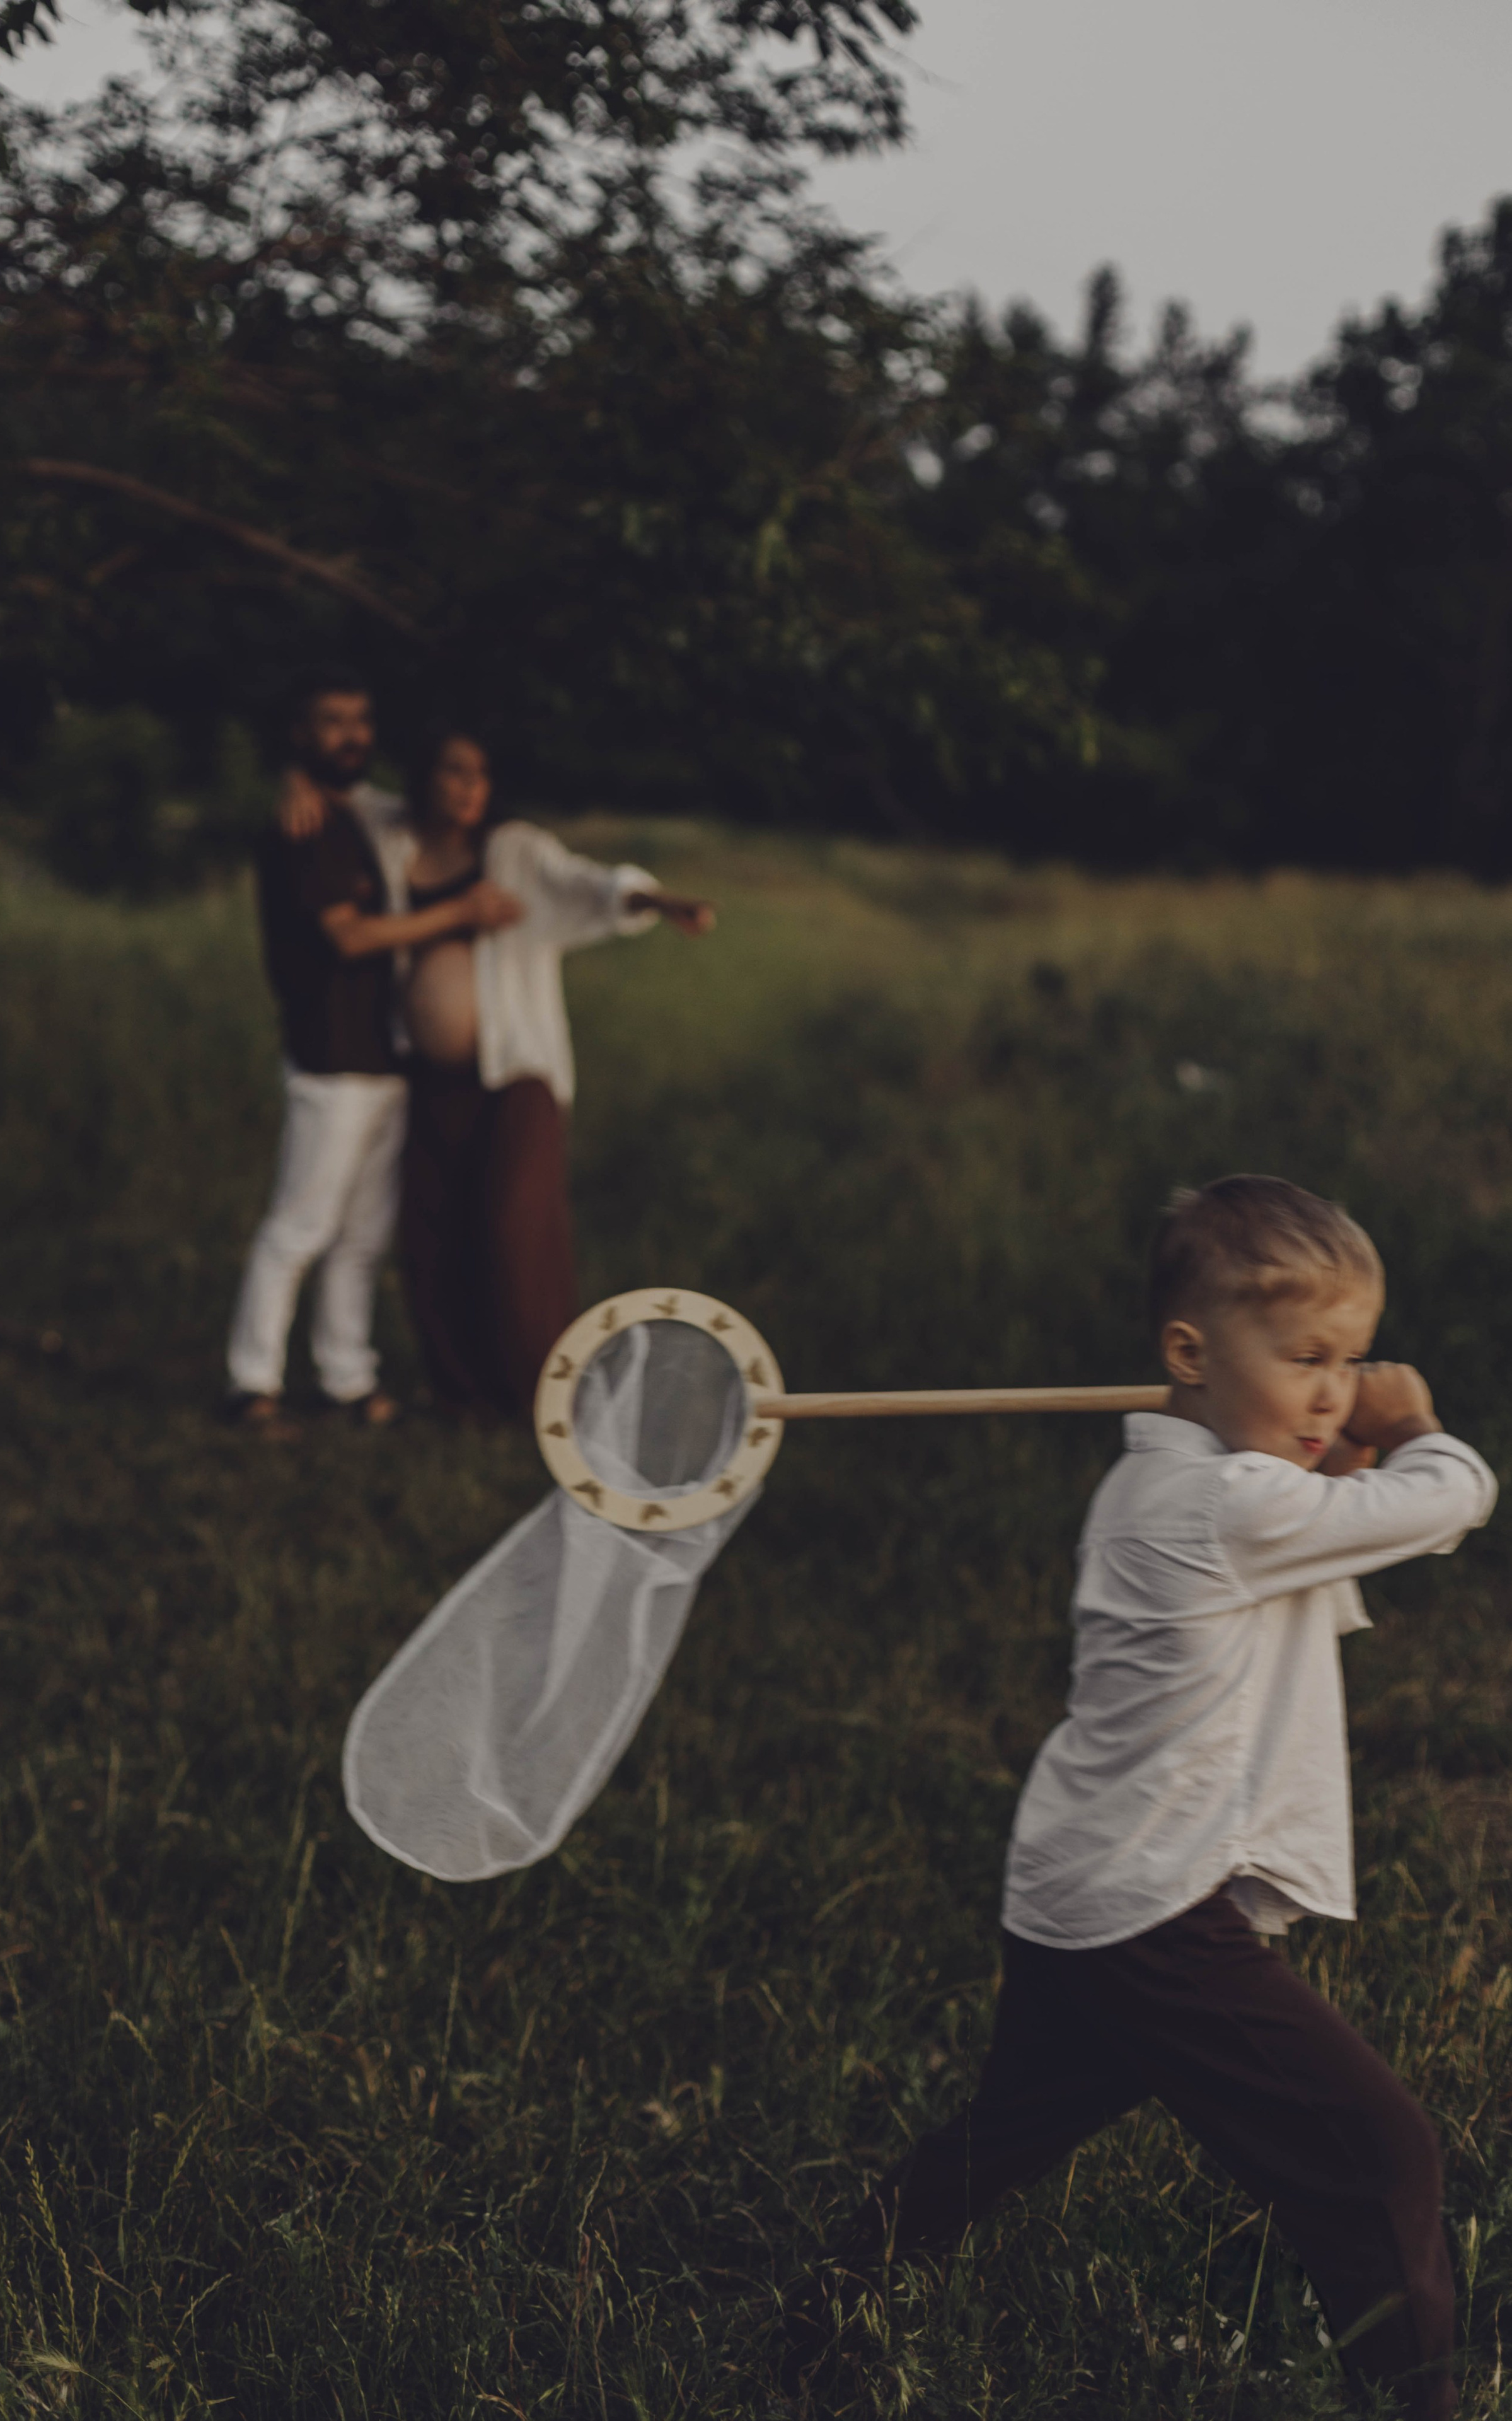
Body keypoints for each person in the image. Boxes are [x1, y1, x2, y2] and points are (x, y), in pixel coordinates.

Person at [785, 1175, 1496, 2420]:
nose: (1335, 1389)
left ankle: (824, 2309)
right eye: (1303, 1356)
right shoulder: (1226, 1503)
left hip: (1077, 1882)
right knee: (1380, 2154)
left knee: (1006, 2130)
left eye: (1351, 1357)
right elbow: (1447, 1500)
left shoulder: (1169, 1482)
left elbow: (1352, 1506)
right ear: (1185, 1351)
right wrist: (1417, 1418)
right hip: (1151, 1909)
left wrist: (1341, 1433)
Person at [282, 724, 713, 1416]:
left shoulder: (515, 854)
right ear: (424, 777)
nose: (468, 789)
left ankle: (542, 1393)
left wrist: (659, 902)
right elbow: (342, 796)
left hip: (518, 1072)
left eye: (480, 776)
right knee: (432, 1233)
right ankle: (464, 1394)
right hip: (427, 1077)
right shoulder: (393, 840)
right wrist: (296, 781)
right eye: (454, 772)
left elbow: (593, 885)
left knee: (514, 1226)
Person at [226, 671, 521, 1437]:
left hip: (384, 1056)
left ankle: (347, 1378)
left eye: (361, 720)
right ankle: (251, 1382)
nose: (352, 735)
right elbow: (347, 934)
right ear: (299, 732)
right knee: (301, 1225)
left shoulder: (355, 813)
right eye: (331, 722)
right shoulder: (308, 828)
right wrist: (461, 913)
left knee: (360, 1237)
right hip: (333, 1056)